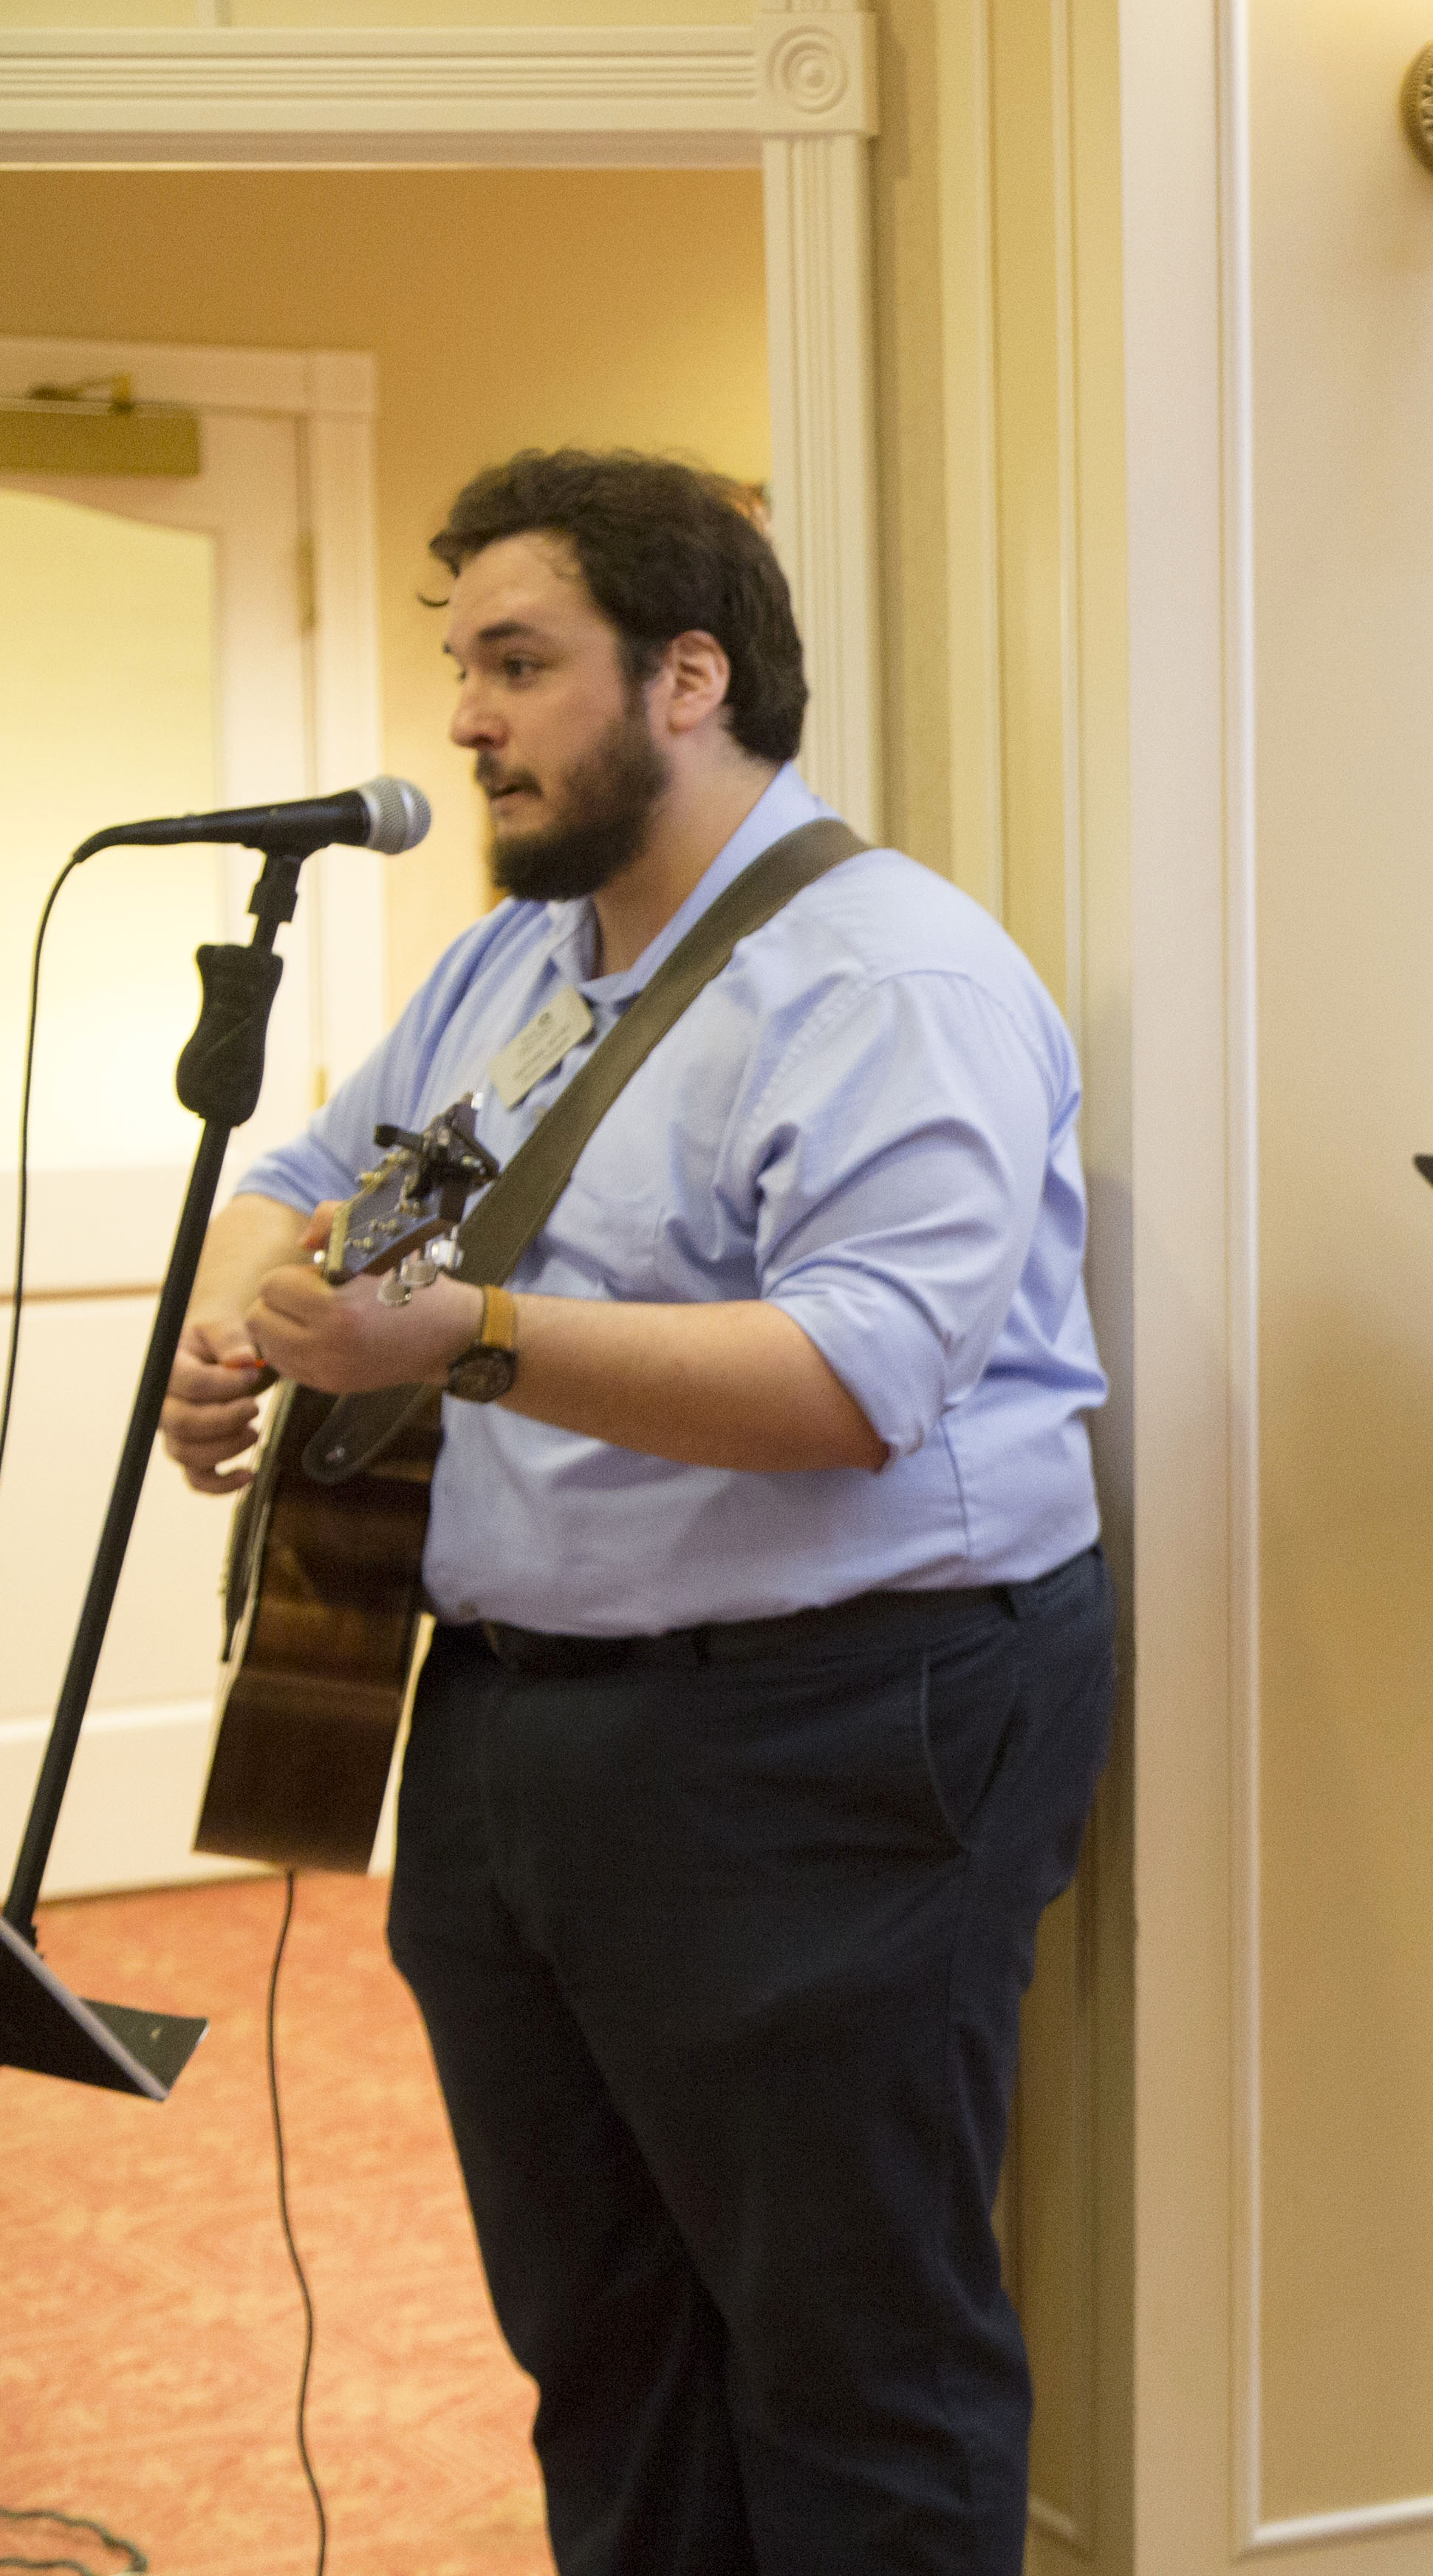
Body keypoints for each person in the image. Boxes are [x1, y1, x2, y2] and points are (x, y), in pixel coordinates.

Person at [156, 450, 1112, 2575]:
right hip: (513, 1726)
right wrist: (243, 1326)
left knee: (852, 2362)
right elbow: (299, 1176)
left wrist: (465, 1335)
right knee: (601, 2337)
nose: (469, 720)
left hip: (832, 1726)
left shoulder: (890, 979)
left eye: (518, 664)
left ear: (690, 676)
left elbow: (858, 1378)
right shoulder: (513, 957)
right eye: (460, 667)